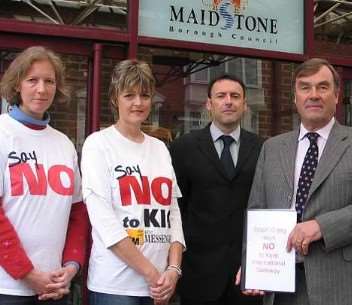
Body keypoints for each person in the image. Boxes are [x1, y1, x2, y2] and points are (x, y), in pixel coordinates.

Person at [238, 58, 352, 305]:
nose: (313, 95)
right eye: (305, 87)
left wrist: (321, 226)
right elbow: (258, 210)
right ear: (295, 97)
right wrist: (251, 264)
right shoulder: (272, 147)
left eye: (322, 87)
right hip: (280, 285)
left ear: (336, 95)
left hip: (341, 285)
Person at [81, 59, 185, 305]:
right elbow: (104, 221)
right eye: (129, 95)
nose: (138, 102)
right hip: (116, 286)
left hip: (159, 285)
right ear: (115, 98)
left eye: (145, 95)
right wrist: (152, 273)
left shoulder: (160, 148)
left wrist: (173, 269)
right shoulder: (98, 144)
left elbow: (173, 212)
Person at [0, 46, 88, 304]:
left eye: (49, 81)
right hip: (8, 287)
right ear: (17, 85)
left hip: (55, 286)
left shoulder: (64, 144)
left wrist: (71, 266)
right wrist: (27, 274)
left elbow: (77, 212)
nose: (41, 89)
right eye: (32, 80)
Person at [169, 74, 263, 305]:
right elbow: (175, 211)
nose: (228, 101)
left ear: (245, 105)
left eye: (235, 96)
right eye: (221, 96)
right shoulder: (184, 148)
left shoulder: (263, 148)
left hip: (248, 276)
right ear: (209, 104)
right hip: (198, 275)